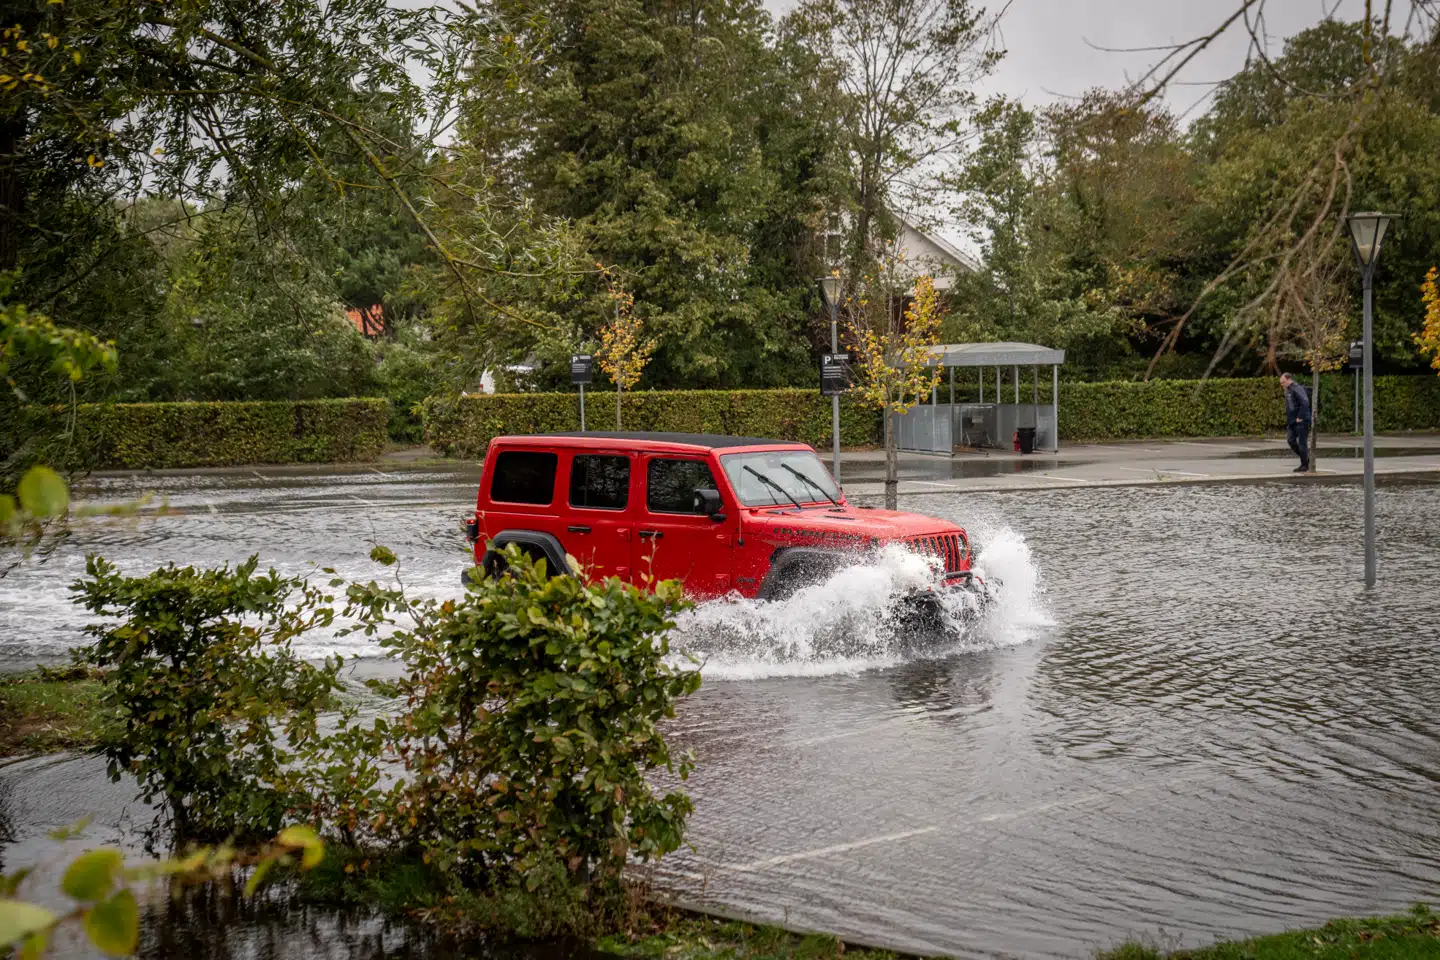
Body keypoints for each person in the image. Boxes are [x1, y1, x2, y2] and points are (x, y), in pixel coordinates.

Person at [1280, 373, 1311, 473]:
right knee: (1291, 440)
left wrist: (1300, 416)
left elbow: (1305, 402)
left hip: (1301, 421)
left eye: (1283, 382)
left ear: (1289, 380)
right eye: (1281, 383)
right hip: (1292, 421)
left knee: (1302, 443)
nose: (1282, 385)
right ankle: (1305, 458)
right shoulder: (1288, 390)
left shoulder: (1297, 388)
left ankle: (1304, 465)